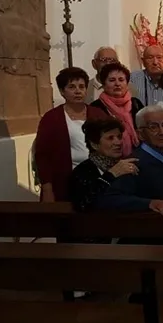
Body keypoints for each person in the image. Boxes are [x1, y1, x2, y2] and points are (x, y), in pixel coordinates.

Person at [95, 105, 163, 226]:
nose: (162, 132)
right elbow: (111, 199)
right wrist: (150, 203)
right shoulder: (132, 163)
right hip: (145, 232)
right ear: (140, 134)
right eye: (154, 127)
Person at [34, 67, 106, 202]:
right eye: (72, 87)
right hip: (64, 182)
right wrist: (47, 189)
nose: (78, 91)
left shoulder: (98, 115)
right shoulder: (51, 118)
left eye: (81, 87)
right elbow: (42, 156)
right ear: (62, 91)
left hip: (97, 180)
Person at [69, 118, 139, 214]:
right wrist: (111, 174)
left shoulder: (127, 165)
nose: (118, 142)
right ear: (94, 144)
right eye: (110, 138)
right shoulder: (82, 171)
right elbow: (83, 204)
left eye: (119, 137)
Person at [91, 62, 144, 157]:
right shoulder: (96, 107)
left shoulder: (136, 103)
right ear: (103, 84)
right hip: (109, 159)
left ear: (127, 83)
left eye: (121, 80)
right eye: (112, 80)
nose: (117, 84)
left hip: (139, 157)